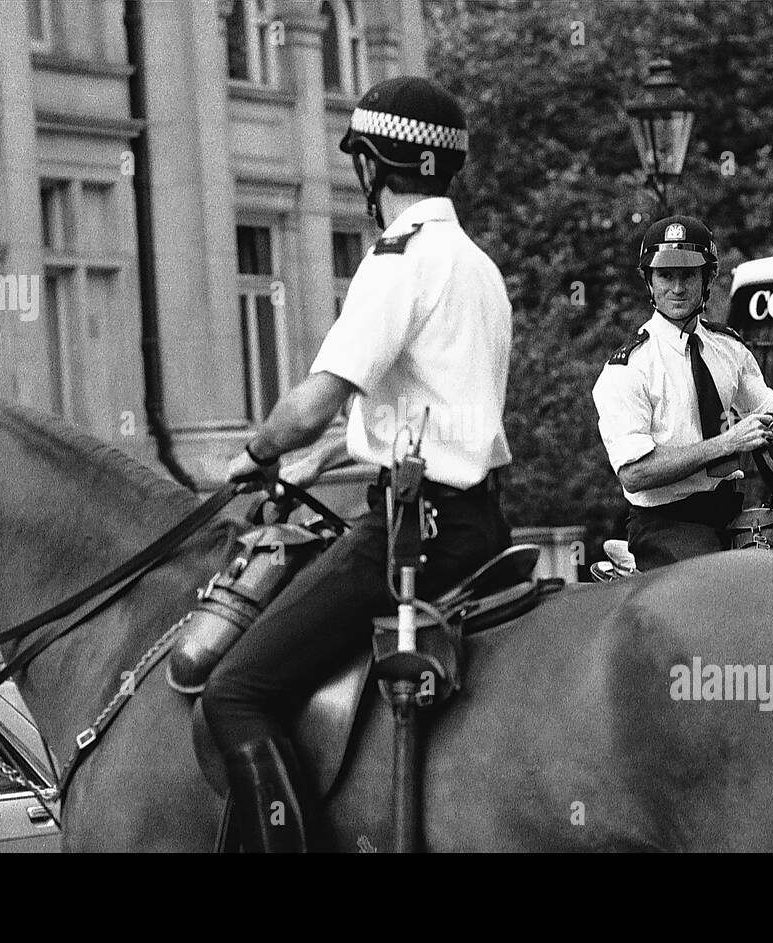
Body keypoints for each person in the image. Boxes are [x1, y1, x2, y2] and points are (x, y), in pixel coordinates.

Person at [187, 75, 513, 852]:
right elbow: (419, 414)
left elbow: (315, 401)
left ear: (371, 165)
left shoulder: (397, 261)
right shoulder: (475, 266)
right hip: (481, 525)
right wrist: (319, 464)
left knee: (235, 692)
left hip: (409, 538)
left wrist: (260, 451)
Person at [591, 215, 773, 570]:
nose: (677, 288)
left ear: (708, 278)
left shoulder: (728, 348)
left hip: (732, 515)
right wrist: (726, 444)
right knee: (717, 602)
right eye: (666, 276)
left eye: (689, 275)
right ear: (649, 282)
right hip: (666, 525)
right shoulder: (628, 369)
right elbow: (634, 473)